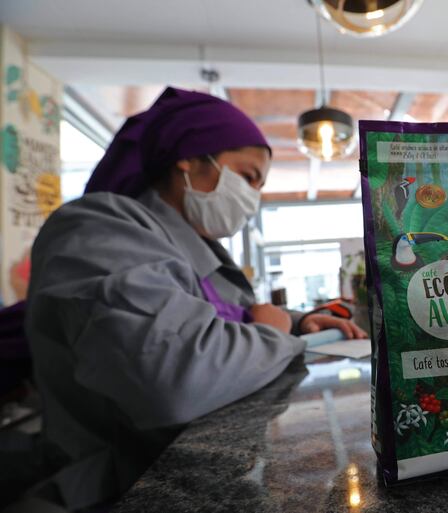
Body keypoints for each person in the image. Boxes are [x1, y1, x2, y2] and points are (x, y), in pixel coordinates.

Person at [23, 87, 366, 511]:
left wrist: (297, 322)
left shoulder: (196, 251)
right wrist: (272, 331)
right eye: (247, 176)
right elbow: (176, 376)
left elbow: (227, 318)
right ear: (189, 157)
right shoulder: (98, 227)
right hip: (117, 488)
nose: (253, 197)